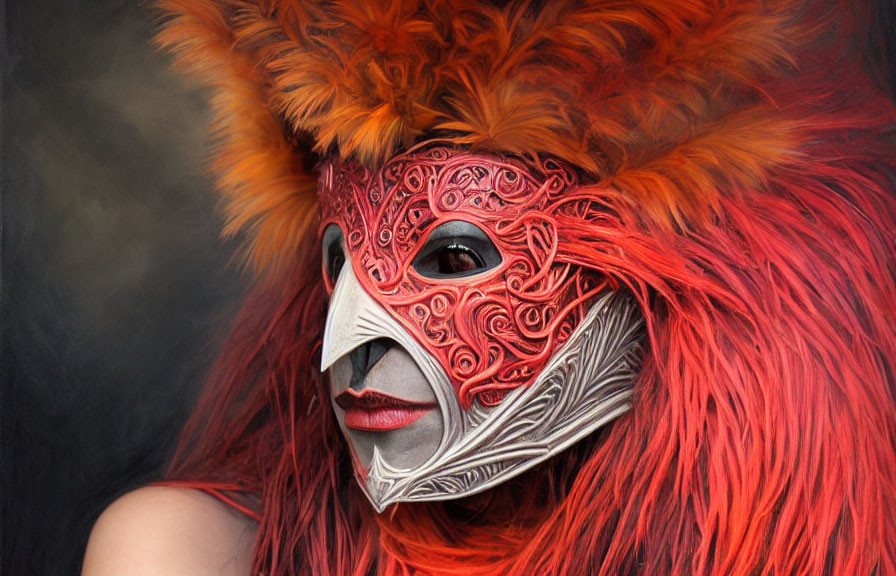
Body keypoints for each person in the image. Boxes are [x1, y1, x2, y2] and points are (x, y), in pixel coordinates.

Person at [83, 0, 896, 574]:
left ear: (628, 270)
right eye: (339, 262)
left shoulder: (777, 511)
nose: (344, 345)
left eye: (454, 256)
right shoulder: (185, 553)